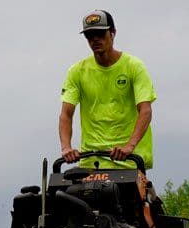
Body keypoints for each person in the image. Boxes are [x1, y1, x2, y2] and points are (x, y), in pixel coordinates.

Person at [58, 9, 156, 171]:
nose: (95, 39)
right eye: (90, 36)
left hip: (129, 161)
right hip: (91, 161)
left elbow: (145, 111)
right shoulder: (77, 71)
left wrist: (129, 146)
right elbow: (66, 114)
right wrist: (66, 148)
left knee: (137, 196)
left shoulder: (134, 67)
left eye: (100, 34)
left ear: (112, 33)